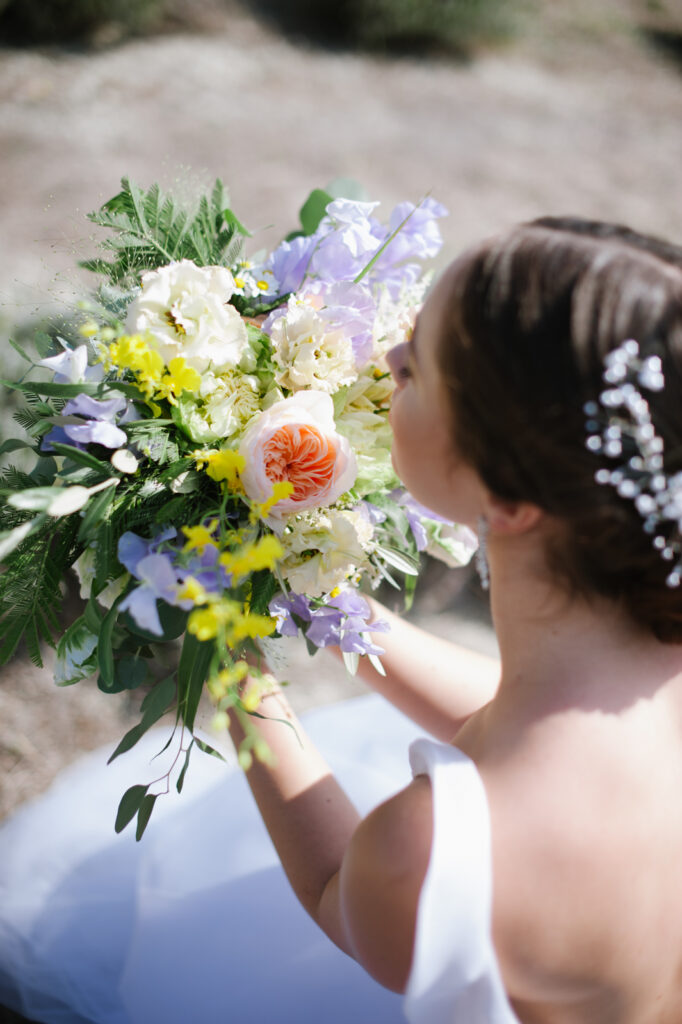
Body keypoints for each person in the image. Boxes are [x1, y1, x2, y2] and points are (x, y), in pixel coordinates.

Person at [2, 216, 682, 1024]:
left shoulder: (430, 851)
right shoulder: (639, 680)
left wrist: (231, 659)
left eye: (421, 362)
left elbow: (336, 897)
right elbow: (497, 711)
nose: (390, 357)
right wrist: (325, 606)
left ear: (507, 497)